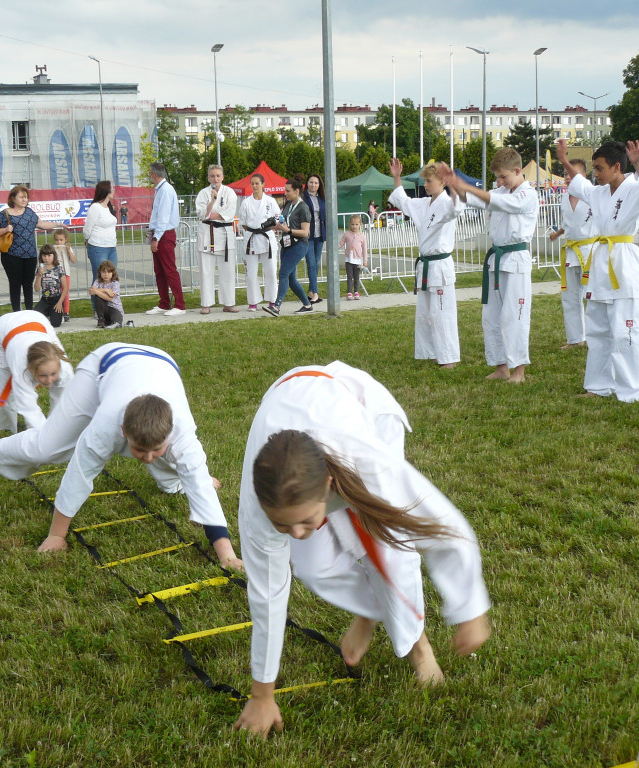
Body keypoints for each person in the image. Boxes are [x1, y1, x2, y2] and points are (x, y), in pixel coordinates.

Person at [232, 362, 492, 738]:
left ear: (329, 484)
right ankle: (369, 614)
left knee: (386, 548)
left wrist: (470, 609)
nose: (297, 533)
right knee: (312, 565)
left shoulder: (370, 464)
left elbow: (441, 523)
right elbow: (267, 593)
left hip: (360, 408)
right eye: (283, 526)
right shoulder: (258, 506)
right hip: (290, 415)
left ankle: (420, 648)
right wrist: (261, 695)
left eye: (305, 521)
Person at [0, 342, 244, 570]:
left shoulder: (183, 434)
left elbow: (202, 490)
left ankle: (175, 477)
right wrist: (56, 535)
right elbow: (80, 474)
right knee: (49, 446)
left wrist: (227, 556)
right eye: (138, 450)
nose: (147, 458)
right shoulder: (105, 425)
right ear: (123, 431)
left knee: (190, 473)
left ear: (170, 433)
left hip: (160, 362)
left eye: (155, 450)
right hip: (106, 363)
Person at [556, 137, 639, 402]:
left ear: (616, 167)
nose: (596, 174)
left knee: (627, 328)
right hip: (601, 261)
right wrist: (565, 161)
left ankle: (631, 389)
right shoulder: (598, 192)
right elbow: (578, 184)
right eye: (594, 169)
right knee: (598, 328)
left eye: (600, 168)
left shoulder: (636, 189)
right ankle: (598, 385)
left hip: (622, 261)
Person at [440, 149, 538, 383]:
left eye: (503, 176)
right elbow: (475, 199)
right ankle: (501, 366)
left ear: (517, 171)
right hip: (497, 260)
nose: (499, 181)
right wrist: (453, 184)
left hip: (516, 261)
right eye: (497, 177)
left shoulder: (528, 194)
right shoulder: (501, 191)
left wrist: (462, 182)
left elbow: (500, 202)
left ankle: (519, 371)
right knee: (492, 317)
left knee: (515, 317)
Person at [390, 160, 464, 368]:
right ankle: (431, 352)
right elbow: (403, 201)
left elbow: (458, 208)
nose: (425, 185)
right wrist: (397, 177)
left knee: (443, 314)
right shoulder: (424, 203)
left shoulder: (447, 203)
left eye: (429, 181)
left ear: (442, 182)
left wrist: (454, 184)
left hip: (440, 266)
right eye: (425, 181)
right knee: (425, 314)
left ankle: (448, 358)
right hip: (425, 265)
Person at [0, 309, 74, 443]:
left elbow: (65, 399)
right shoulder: (21, 367)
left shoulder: (63, 366)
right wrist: (43, 441)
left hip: (38, 321)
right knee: (6, 392)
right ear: (31, 368)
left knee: (63, 390)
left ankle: (54, 429)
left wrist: (56, 431)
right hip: (3, 329)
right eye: (43, 375)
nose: (49, 381)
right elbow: (29, 408)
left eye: (53, 374)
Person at [0, 185, 60, 312]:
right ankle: (16, 311)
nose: (24, 199)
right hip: (12, 256)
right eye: (21, 197)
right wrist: (5, 229)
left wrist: (57, 224)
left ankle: (29, 311)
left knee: (28, 285)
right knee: (15, 284)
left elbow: (41, 224)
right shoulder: (4, 214)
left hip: (30, 255)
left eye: (26, 197)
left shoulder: (30, 212)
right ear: (13, 198)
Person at [548, 159, 595, 350]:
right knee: (570, 296)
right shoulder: (564, 198)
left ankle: (596, 336)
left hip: (590, 251)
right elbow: (569, 223)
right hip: (570, 251)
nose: (567, 177)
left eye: (571, 174)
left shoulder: (593, 194)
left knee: (592, 296)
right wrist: (557, 233)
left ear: (583, 177)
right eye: (566, 174)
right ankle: (575, 338)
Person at [263, 178, 314, 317]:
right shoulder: (288, 204)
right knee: (291, 279)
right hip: (287, 243)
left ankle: (277, 306)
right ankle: (307, 305)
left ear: (297, 191)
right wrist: (272, 226)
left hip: (299, 244)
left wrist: (288, 230)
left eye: (288, 191)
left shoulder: (303, 208)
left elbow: (305, 232)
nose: (285, 193)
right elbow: (283, 222)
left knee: (283, 273)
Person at [195, 164, 240, 314]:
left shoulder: (230, 192)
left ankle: (228, 303)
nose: (215, 178)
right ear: (208, 177)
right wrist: (212, 202)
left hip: (225, 235)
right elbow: (201, 214)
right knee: (206, 271)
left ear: (222, 177)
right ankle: (206, 304)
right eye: (212, 176)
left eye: (218, 175)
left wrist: (211, 214)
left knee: (227, 271)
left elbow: (230, 212)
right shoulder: (203, 194)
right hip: (207, 234)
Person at [145, 163, 186, 317]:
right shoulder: (161, 190)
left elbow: (163, 217)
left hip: (165, 234)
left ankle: (180, 304)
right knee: (160, 271)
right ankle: (164, 303)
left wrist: (156, 237)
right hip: (160, 233)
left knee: (169, 269)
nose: (149, 176)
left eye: (150, 173)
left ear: (154, 174)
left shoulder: (166, 190)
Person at [238, 173, 280, 311]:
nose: (255, 186)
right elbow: (243, 223)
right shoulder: (246, 202)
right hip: (252, 238)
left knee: (271, 271)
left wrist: (268, 226)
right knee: (251, 273)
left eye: (257, 183)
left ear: (263, 184)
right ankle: (253, 301)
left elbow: (278, 219)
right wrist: (253, 229)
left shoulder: (270, 201)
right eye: (253, 183)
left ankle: (272, 300)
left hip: (267, 237)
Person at [84, 181, 119, 318]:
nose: (114, 190)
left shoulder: (108, 208)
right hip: (98, 246)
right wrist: (87, 239)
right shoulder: (95, 208)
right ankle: (97, 310)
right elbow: (88, 228)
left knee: (111, 277)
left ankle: (110, 306)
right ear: (106, 191)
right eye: (112, 188)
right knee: (99, 278)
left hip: (111, 246)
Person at [302, 174, 327, 304]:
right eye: (311, 182)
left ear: (319, 185)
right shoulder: (303, 197)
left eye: (316, 183)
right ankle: (315, 293)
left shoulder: (322, 198)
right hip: (308, 235)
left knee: (316, 264)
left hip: (319, 235)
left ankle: (311, 292)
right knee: (311, 263)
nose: (313, 185)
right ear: (307, 183)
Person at [33, 244, 68, 328]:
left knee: (55, 324)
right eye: (44, 255)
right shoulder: (40, 269)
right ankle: (47, 314)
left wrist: (60, 303)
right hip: (45, 299)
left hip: (56, 299)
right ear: (41, 256)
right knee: (35, 317)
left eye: (49, 255)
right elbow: (36, 289)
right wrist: (39, 276)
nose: (46, 258)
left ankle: (57, 315)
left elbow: (65, 287)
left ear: (54, 256)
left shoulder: (58, 269)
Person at [339, 215, 368, 301]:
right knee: (349, 276)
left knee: (356, 276)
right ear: (349, 224)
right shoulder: (347, 234)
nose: (354, 226)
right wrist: (334, 246)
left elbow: (364, 249)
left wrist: (365, 261)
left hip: (357, 260)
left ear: (360, 224)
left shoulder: (362, 236)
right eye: (352, 224)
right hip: (348, 259)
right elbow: (341, 244)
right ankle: (349, 292)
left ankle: (356, 291)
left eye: (356, 224)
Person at [89, 260, 123, 329]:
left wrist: (96, 291)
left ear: (112, 273)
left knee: (116, 322)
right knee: (97, 297)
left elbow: (110, 298)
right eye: (104, 272)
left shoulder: (115, 283)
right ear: (100, 273)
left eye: (109, 272)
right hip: (105, 309)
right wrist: (105, 290)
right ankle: (101, 320)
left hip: (115, 308)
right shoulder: (97, 281)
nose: (106, 275)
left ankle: (113, 322)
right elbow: (91, 291)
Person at [51, 227, 76, 321]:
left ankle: (66, 312)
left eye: (61, 240)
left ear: (66, 239)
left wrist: (69, 250)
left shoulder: (68, 248)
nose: (59, 242)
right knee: (56, 292)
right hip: (56, 273)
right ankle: (57, 310)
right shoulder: (53, 248)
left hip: (66, 273)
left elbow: (73, 260)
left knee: (65, 292)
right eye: (57, 240)